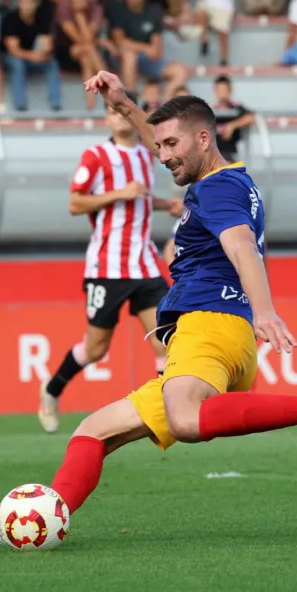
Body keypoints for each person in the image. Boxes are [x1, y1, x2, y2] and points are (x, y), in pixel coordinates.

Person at [0, 75, 297, 547]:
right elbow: (171, 145)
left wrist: (267, 312)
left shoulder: (217, 189)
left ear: (204, 138)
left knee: (187, 420)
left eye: (172, 144)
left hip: (209, 327)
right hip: (218, 333)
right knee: (93, 432)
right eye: (160, 144)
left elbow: (242, 247)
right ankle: (45, 521)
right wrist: (125, 103)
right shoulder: (226, 178)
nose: (163, 154)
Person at [37, 89, 183, 434]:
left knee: (166, 339)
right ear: (106, 118)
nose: (118, 116)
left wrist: (166, 205)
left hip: (145, 263)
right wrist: (119, 193)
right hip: (107, 266)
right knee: (96, 348)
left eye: (123, 109)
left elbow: (141, 200)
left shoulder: (149, 156)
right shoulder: (97, 156)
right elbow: (75, 204)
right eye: (112, 111)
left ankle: (167, 412)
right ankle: (51, 389)